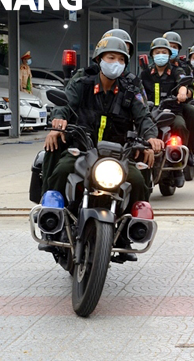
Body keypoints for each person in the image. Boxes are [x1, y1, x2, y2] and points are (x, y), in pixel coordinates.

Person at [43, 37, 164, 261]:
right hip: (82, 149)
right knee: (61, 170)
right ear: (99, 59)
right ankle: (53, 221)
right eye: (111, 58)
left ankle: (126, 232)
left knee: (138, 180)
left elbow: (144, 117)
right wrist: (58, 122)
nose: (115, 63)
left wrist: (151, 138)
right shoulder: (83, 84)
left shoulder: (130, 91)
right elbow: (64, 104)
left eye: (121, 59)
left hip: (118, 155)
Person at [140, 37, 194, 166]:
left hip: (172, 111)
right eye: (157, 52)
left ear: (169, 54)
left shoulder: (176, 70)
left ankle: (183, 156)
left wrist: (182, 92)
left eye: (164, 52)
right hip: (150, 112)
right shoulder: (145, 74)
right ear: (152, 55)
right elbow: (138, 90)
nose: (160, 55)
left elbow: (183, 82)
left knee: (180, 126)